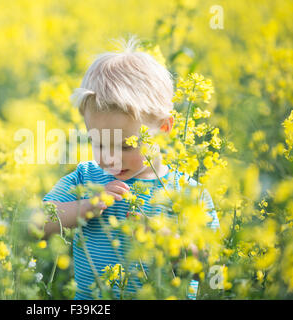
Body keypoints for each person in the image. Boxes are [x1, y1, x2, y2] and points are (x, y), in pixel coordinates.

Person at [42, 35, 220, 300]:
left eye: (126, 146)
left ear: (164, 128)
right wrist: (85, 207)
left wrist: (169, 242)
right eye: (99, 144)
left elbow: (214, 273)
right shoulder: (86, 178)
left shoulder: (188, 194)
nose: (110, 159)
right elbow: (34, 224)